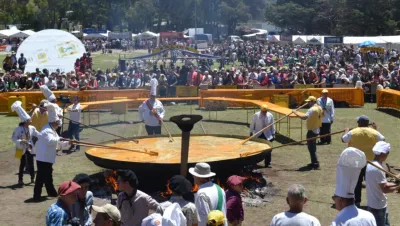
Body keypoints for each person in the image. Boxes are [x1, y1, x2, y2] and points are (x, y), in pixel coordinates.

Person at [341, 115, 385, 207]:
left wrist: (346, 131)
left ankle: (357, 202)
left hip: (356, 163)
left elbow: (343, 139)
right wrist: (375, 129)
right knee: (371, 183)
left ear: (360, 123)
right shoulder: (374, 132)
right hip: (370, 162)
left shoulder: (353, 132)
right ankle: (373, 203)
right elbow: (382, 139)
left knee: (357, 183)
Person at [33, 103, 71, 201]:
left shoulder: (52, 129)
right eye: (57, 124)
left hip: (47, 157)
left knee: (47, 175)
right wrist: (61, 139)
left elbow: (58, 142)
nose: (58, 126)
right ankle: (38, 195)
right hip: (43, 158)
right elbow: (52, 141)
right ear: (53, 122)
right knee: (41, 178)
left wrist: (68, 142)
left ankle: (50, 192)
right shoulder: (46, 131)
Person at [331, 147, 376, 226]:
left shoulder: (338, 222)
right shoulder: (369, 216)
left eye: (334, 198)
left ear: (341, 201)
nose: (334, 201)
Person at [366, 141, 400, 226]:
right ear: (383, 153)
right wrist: (398, 187)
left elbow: (383, 184)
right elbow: (385, 189)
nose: (388, 155)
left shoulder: (372, 165)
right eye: (387, 153)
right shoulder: (377, 169)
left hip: (377, 203)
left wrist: (396, 182)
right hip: (378, 207)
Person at [11, 101, 40, 185]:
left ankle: (32, 178)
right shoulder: (18, 129)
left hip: (29, 146)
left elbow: (38, 134)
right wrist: (20, 141)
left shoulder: (32, 128)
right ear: (25, 122)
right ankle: (20, 179)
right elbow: (13, 138)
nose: (30, 121)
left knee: (31, 162)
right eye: (29, 120)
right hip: (20, 147)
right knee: (22, 163)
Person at [292, 96, 323, 169]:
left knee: (311, 148)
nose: (308, 103)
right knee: (313, 147)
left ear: (313, 101)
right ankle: (314, 162)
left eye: (309, 102)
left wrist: (295, 113)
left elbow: (304, 117)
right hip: (317, 129)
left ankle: (315, 163)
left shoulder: (311, 109)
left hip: (312, 130)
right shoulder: (319, 108)